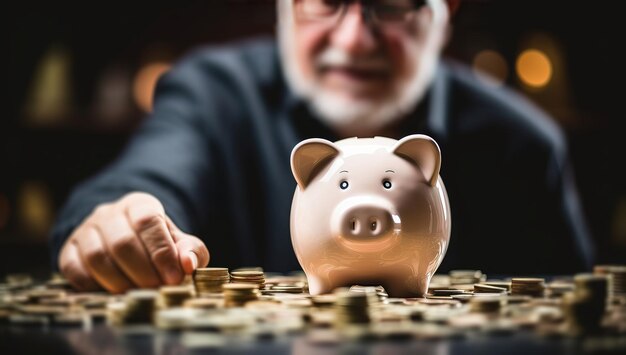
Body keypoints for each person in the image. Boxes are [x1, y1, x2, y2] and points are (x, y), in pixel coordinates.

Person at [50, 0, 594, 293]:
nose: (354, 38)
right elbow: (147, 176)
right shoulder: (213, 96)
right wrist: (122, 217)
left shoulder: (523, 147)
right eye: (324, 1)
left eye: (393, 4)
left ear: (446, 10)